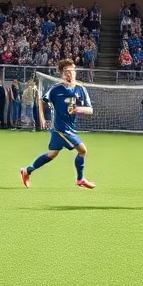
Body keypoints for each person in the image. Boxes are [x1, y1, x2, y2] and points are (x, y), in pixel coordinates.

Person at [19, 59, 96, 189]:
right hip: (60, 129)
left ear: (75, 72)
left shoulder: (81, 89)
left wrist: (78, 109)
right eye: (65, 72)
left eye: (71, 71)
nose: (68, 74)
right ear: (61, 74)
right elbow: (41, 100)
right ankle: (80, 179)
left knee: (52, 154)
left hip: (70, 128)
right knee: (82, 150)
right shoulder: (56, 89)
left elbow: (90, 110)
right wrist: (42, 118)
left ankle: (27, 170)